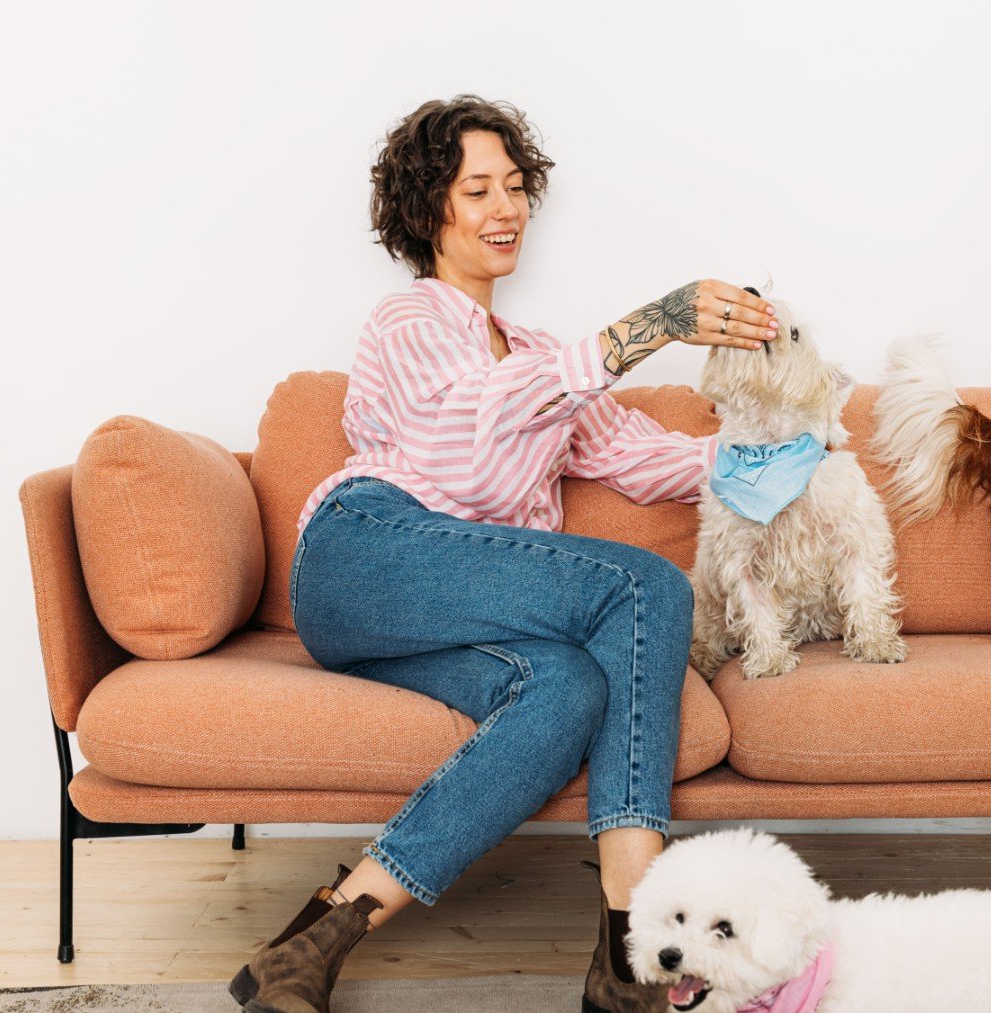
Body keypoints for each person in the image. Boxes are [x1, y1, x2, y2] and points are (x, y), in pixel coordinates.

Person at [229, 95, 777, 1013]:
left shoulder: (534, 354)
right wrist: (649, 326)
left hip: (453, 609)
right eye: (477, 189)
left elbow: (640, 456)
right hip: (365, 556)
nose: (506, 207)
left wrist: (780, 459)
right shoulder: (407, 324)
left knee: (570, 686)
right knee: (642, 585)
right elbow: (470, 446)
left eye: (516, 187)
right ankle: (635, 947)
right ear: (427, 213)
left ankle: (313, 940)